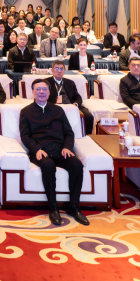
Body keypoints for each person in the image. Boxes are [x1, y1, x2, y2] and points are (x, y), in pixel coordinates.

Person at [20, 80, 89, 226]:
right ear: (32, 92)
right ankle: (53, 208)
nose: (41, 92)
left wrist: (67, 147)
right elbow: (25, 136)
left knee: (76, 165)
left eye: (44, 89)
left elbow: (69, 132)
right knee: (48, 166)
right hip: (41, 151)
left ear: (49, 92)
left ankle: (74, 206)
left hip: (60, 150)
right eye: (38, 89)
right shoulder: (26, 112)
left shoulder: (58, 110)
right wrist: (37, 149)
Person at [43, 60, 94, 136]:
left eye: (61, 69)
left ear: (64, 71)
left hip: (70, 106)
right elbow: (41, 97)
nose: (59, 71)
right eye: (57, 68)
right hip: (54, 107)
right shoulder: (46, 82)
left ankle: (86, 136)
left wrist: (75, 104)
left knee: (88, 116)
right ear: (52, 70)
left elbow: (78, 97)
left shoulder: (70, 82)